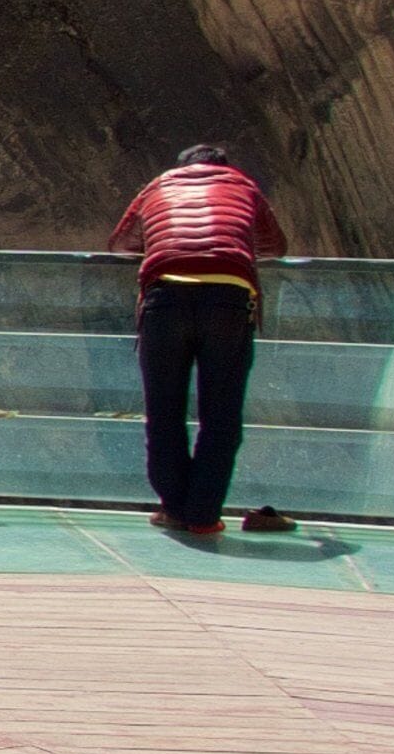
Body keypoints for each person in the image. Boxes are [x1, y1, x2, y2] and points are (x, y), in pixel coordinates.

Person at [108, 144, 295, 535]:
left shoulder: (156, 187)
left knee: (164, 411)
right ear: (225, 167)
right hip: (228, 299)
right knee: (221, 414)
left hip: (165, 299)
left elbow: (120, 244)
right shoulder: (244, 187)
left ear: (180, 168)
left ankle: (174, 509)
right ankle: (203, 516)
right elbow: (276, 246)